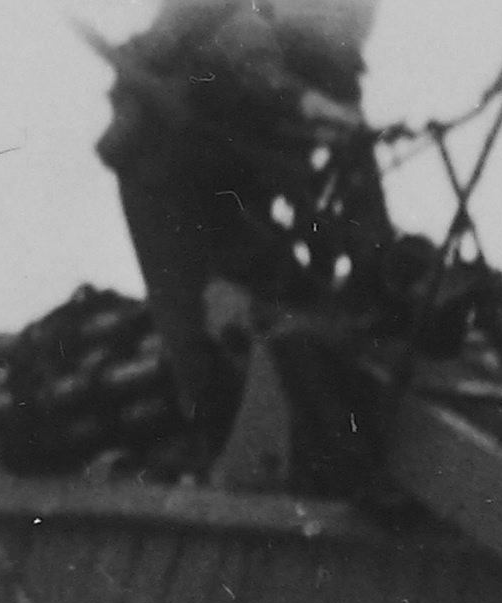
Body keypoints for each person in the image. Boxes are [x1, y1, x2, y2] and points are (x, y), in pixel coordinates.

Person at [94, 0, 392, 446]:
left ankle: (296, 424)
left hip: (236, 168)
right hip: (163, 167)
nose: (355, 26)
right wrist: (309, 105)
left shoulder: (337, 64)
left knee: (280, 286)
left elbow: (361, 181)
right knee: (188, 313)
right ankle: (213, 437)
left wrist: (377, 260)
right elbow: (259, 74)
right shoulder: (243, 23)